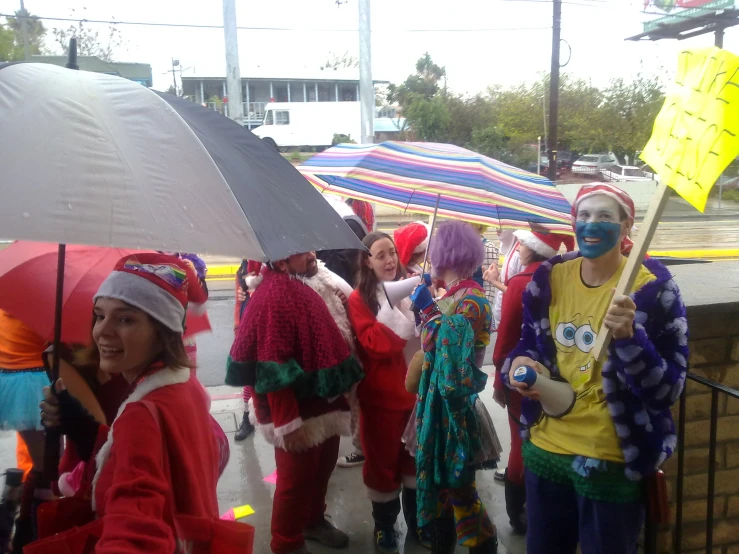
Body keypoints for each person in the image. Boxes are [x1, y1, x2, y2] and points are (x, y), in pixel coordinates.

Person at [502, 184, 689, 554]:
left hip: (610, 461)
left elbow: (666, 390)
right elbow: (525, 343)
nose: (591, 225)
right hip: (545, 448)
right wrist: (519, 364)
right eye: (584, 216)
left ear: (626, 227)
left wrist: (630, 338)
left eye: (604, 216)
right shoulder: (549, 280)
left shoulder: (654, 291)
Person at [39, 253, 221, 551]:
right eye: (99, 315)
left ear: (162, 332)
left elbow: (134, 528)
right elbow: (160, 460)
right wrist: (84, 432)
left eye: (125, 319)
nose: (103, 331)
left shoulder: (141, 414)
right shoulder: (185, 386)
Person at [227, 251, 363, 554]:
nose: (313, 254)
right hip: (295, 413)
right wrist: (288, 426)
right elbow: (271, 368)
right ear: (282, 261)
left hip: (321, 403)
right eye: (303, 251)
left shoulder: (303, 285)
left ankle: (313, 521)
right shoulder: (274, 297)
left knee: (322, 468)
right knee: (294, 483)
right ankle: (286, 543)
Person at [405, 220, 497, 554]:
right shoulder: (459, 296)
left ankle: (481, 543)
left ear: (449, 256)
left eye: (435, 257)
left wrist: (428, 308)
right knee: (446, 486)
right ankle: (450, 542)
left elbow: (446, 349)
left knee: (459, 486)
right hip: (440, 404)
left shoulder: (472, 301)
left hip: (455, 409)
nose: (431, 264)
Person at [492, 228, 572, 535]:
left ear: (533, 248)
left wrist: (501, 382)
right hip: (560, 377)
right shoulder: (564, 275)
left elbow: (507, 338)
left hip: (523, 375)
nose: (520, 246)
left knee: (520, 442)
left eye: (524, 242)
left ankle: (517, 512)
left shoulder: (522, 281)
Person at [347, 232, 423, 553]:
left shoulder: (410, 288)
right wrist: (398, 312)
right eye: (380, 255)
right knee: (381, 466)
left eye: (391, 252)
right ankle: (384, 526)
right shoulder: (358, 299)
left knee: (414, 463)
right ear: (367, 261)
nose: (390, 260)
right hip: (380, 399)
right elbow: (374, 345)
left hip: (415, 394)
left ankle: (418, 523)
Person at [0, 309, 50, 548]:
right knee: (43, 466)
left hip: (11, 381)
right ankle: (28, 530)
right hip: (32, 383)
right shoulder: (39, 309)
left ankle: (15, 508)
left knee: (41, 463)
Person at [234, 259, 262, 442]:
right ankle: (247, 418)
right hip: (248, 325)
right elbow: (238, 302)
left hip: (271, 324)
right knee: (248, 374)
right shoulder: (243, 268)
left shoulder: (276, 265)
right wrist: (237, 326)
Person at [471, 224, 499, 311]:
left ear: (478, 225)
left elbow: (490, 284)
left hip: (479, 303)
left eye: (467, 223)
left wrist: (486, 309)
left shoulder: (488, 247)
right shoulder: (462, 245)